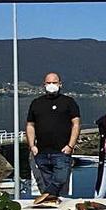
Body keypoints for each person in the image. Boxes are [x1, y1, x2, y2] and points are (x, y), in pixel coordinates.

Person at [26, 72, 81, 201]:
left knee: (61, 179)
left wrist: (70, 146)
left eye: (54, 82)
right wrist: (32, 145)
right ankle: (49, 203)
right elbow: (30, 125)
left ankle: (47, 196)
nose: (51, 85)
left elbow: (76, 124)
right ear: (44, 85)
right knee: (46, 184)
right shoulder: (36, 103)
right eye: (48, 83)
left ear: (60, 84)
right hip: (41, 152)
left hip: (62, 152)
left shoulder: (69, 102)